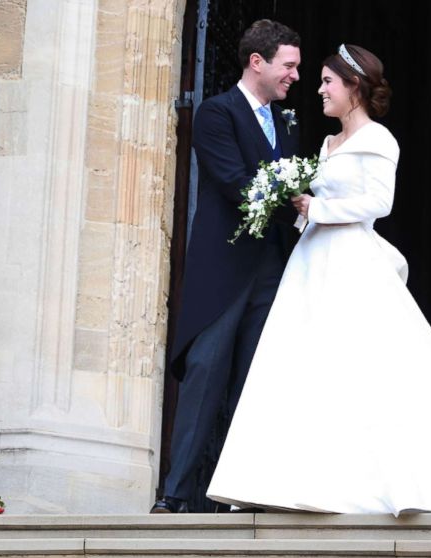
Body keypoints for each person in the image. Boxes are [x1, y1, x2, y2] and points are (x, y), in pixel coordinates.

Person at [205, 44, 431, 514]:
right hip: (312, 259)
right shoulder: (326, 144)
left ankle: (369, 480)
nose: (318, 90)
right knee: (304, 364)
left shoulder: (379, 139)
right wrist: (301, 209)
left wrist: (320, 208)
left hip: (351, 260)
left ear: (353, 86)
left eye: (326, 81)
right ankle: (286, 481)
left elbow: (380, 203)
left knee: (358, 364)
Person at [152, 19, 302, 514]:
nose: (295, 76)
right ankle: (175, 494)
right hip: (223, 272)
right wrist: (300, 203)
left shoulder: (285, 124)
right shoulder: (216, 113)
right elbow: (237, 183)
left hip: (271, 270)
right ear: (256, 62)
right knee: (205, 375)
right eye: (289, 66)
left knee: (256, 383)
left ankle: (240, 493)